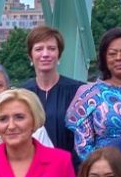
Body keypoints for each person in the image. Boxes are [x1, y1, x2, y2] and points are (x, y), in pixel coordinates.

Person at [66, 28, 121, 160]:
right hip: (105, 170)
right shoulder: (89, 94)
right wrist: (105, 168)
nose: (118, 58)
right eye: (112, 54)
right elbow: (83, 145)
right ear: (105, 59)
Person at [20, 25, 84, 156]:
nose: (45, 54)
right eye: (39, 49)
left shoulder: (78, 91)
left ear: (59, 54)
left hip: (72, 168)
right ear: (30, 56)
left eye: (51, 49)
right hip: (31, 168)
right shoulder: (22, 94)